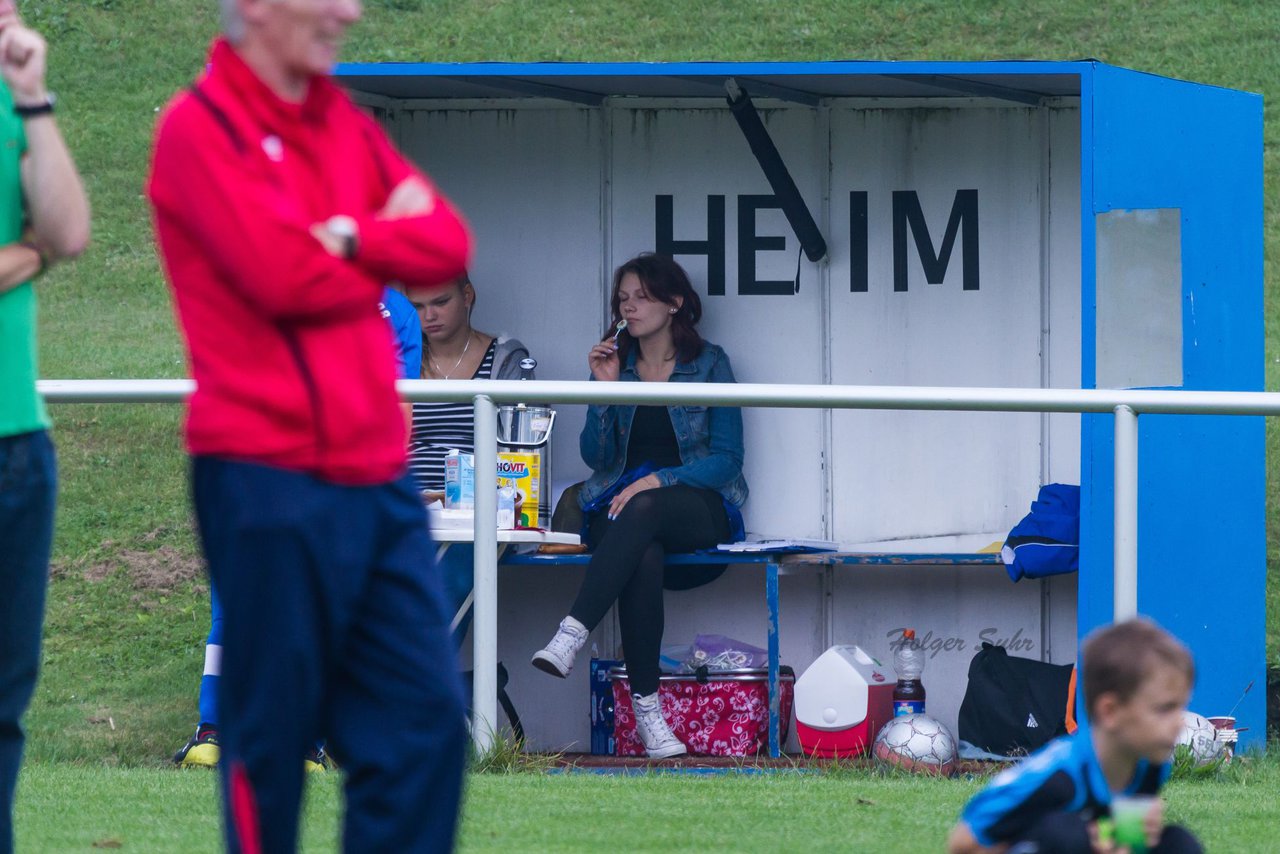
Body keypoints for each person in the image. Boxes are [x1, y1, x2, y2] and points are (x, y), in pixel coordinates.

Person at [147, 1, 468, 850]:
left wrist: (346, 237)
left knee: (426, 727)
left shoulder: (342, 124)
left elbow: (442, 246)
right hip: (263, 474)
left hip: (379, 482)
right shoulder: (199, 128)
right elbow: (276, 276)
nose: (348, 11)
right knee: (271, 740)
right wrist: (377, 242)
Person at [172, 289, 422, 770]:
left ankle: (308, 739)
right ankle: (215, 728)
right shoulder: (268, 271)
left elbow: (399, 413)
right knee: (235, 601)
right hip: (254, 459)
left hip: (337, 475)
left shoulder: (393, 308)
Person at [531, 253, 747, 759]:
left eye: (642, 296)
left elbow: (727, 460)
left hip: (696, 508)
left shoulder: (710, 363)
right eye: (622, 298)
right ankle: (650, 718)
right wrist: (605, 391)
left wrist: (658, 478)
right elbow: (595, 457)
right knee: (643, 551)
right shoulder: (616, 366)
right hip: (622, 517)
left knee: (647, 508)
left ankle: (572, 631)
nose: (629, 306)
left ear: (675, 303)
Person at [0, 2, 90, 851]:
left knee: (3, 704)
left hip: (16, 444)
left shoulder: (11, 100)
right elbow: (42, 248)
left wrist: (32, 97)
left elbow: (68, 231)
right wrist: (26, 254)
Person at [947, 618, 1203, 854]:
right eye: (1165, 709)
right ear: (1110, 712)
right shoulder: (1059, 777)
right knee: (1064, 834)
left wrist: (1122, 832)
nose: (1179, 722)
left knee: (1178, 843)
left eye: (1182, 707)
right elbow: (962, 842)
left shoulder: (1148, 765)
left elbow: (1124, 843)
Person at [405, 272, 532, 644]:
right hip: (409, 507)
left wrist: (460, 500)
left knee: (457, 564)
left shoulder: (506, 358)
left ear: (467, 295)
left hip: (478, 513)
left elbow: (523, 455)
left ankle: (420, 682)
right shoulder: (400, 357)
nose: (429, 315)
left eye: (440, 302)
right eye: (416, 307)